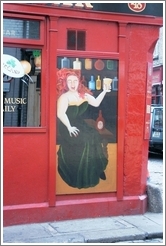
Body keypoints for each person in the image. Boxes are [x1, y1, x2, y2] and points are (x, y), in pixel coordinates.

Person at [56, 68, 111, 189]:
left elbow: (96, 103)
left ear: (79, 82)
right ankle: (81, 175)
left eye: (74, 81)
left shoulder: (83, 95)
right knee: (84, 141)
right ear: (65, 82)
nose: (72, 84)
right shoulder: (64, 97)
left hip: (80, 124)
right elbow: (60, 114)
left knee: (94, 136)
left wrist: (104, 91)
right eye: (69, 81)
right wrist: (70, 127)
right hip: (67, 126)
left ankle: (97, 168)